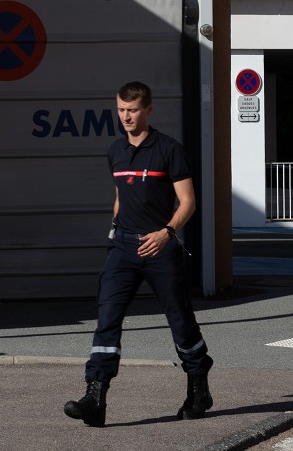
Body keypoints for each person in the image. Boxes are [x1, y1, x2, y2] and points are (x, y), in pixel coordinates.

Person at [63, 81, 214, 428]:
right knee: (107, 320)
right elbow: (121, 195)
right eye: (120, 110)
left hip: (160, 247)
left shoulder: (168, 149)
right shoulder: (115, 151)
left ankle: (198, 387)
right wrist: (114, 230)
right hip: (122, 248)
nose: (125, 117)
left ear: (148, 109)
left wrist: (167, 233)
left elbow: (187, 201)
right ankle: (95, 397)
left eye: (132, 110)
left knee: (180, 321)